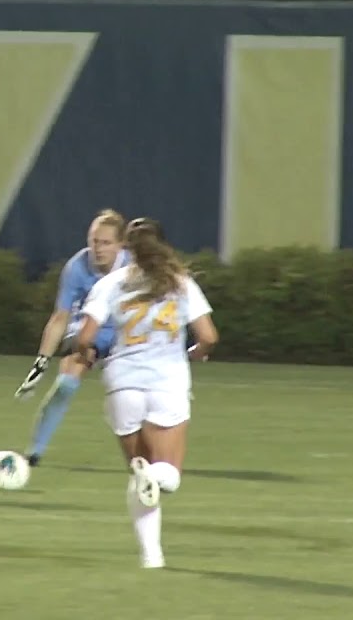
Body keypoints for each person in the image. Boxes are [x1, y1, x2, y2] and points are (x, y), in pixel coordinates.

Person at [76, 218, 217, 569]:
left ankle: (151, 556)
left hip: (122, 383)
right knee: (166, 475)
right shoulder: (181, 284)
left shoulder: (111, 283)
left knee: (140, 476)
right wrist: (195, 353)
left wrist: (86, 354)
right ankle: (153, 480)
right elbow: (209, 336)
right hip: (167, 382)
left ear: (127, 248)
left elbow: (84, 335)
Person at [14, 209, 130, 466]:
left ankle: (146, 457)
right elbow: (60, 318)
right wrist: (40, 364)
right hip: (88, 332)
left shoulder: (134, 266)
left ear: (121, 245)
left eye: (106, 243)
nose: (98, 249)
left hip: (126, 335)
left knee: (130, 397)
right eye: (94, 241)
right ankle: (35, 452)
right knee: (67, 383)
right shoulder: (77, 267)